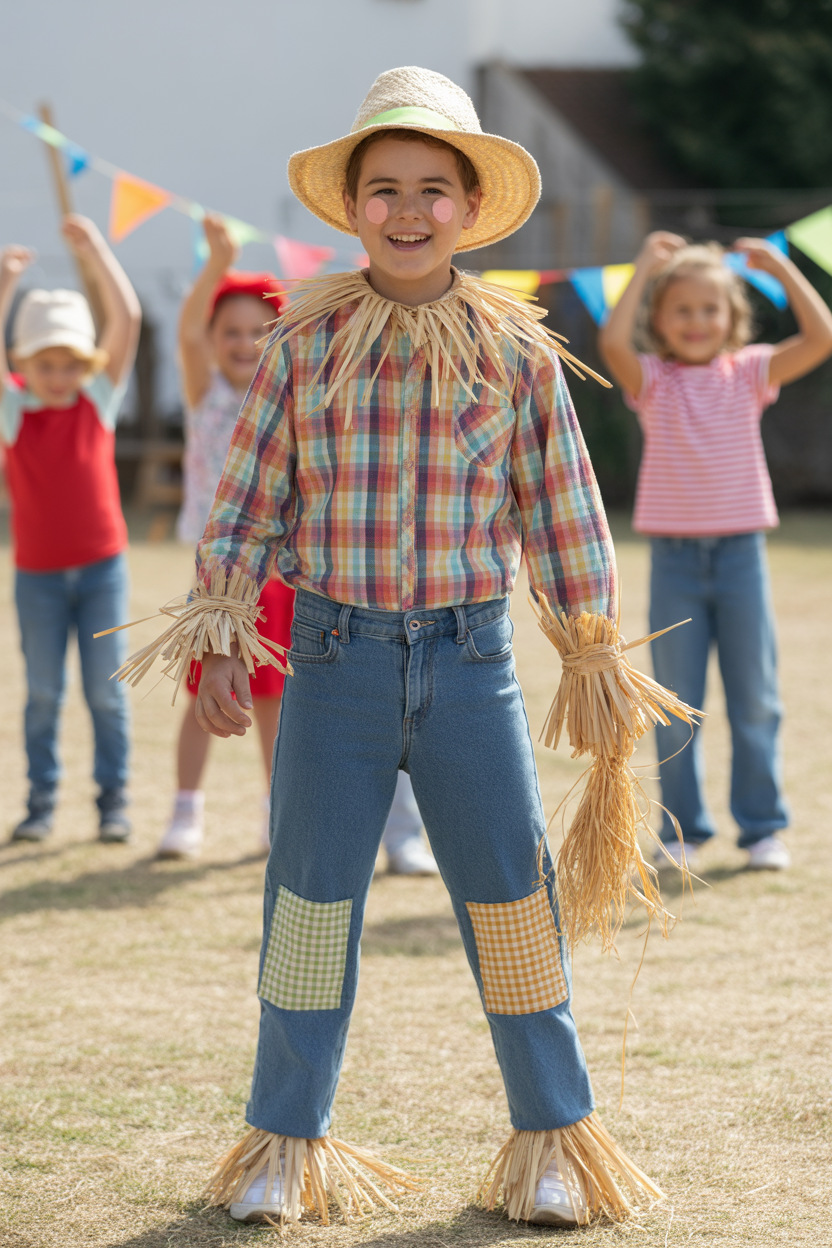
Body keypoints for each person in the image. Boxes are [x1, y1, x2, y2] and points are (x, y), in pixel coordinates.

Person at [116, 69, 691, 1227]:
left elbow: (565, 507)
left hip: (469, 666)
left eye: (435, 188)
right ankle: (284, 1142)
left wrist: (590, 652)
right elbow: (246, 502)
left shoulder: (516, 350)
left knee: (510, 904)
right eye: (386, 189)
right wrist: (223, 629)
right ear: (352, 208)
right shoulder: (301, 344)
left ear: (471, 208)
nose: (410, 209)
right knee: (310, 907)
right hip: (330, 666)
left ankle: (548, 1144)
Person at [160, 215, 438, 875]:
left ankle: (272, 809)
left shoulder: (291, 396)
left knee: (272, 701)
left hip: (284, 571)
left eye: (258, 330)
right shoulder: (205, 396)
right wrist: (214, 267)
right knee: (203, 690)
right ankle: (184, 810)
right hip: (222, 578)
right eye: (228, 331)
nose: (241, 342)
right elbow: (187, 334)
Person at [599, 231, 832, 873]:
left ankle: (762, 829)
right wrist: (645, 266)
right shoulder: (653, 381)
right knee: (676, 701)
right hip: (674, 561)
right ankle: (685, 831)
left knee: (756, 697)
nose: (697, 322)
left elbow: (821, 337)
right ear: (659, 318)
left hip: (740, 558)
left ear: (733, 318)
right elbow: (613, 343)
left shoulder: (750, 372)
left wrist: (782, 266)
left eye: (711, 309)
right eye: (681, 309)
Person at [0, 217, 140, 844]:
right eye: (44, 363)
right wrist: (6, 287)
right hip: (38, 579)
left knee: (106, 693)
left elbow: (128, 318)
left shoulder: (97, 402)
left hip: (102, 571)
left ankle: (113, 800)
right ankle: (40, 802)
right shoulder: (13, 414)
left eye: (68, 362)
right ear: (25, 364)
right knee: (43, 694)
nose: (58, 375)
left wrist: (98, 252)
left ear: (86, 364)